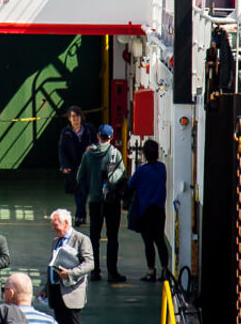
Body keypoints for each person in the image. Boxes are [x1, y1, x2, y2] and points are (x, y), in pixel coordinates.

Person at [37, 209, 93, 324]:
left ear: (66, 223)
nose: (54, 229)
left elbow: (89, 263)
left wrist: (70, 273)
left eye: (56, 226)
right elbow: (51, 266)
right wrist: (46, 287)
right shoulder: (56, 241)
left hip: (71, 293)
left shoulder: (82, 240)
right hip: (56, 292)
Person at [76, 123, 127, 282]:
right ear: (111, 137)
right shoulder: (115, 154)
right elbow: (123, 175)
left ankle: (94, 271)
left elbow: (80, 178)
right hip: (111, 202)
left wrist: (92, 184)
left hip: (95, 201)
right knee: (112, 237)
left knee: (94, 237)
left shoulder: (88, 154)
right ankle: (112, 272)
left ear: (98, 136)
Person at [128, 140, 171, 282]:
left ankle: (151, 271)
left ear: (144, 153)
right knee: (160, 240)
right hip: (159, 210)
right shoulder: (162, 168)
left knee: (148, 242)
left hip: (145, 211)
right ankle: (165, 269)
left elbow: (130, 184)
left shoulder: (141, 171)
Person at [57, 106, 95, 227]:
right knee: (79, 191)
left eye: (77, 116)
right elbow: (61, 149)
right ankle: (80, 216)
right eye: (73, 116)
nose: (76, 119)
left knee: (83, 191)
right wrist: (64, 165)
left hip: (87, 165)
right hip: (73, 166)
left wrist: (93, 147)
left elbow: (98, 142)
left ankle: (80, 216)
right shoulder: (65, 132)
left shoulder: (89, 130)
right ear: (69, 119)